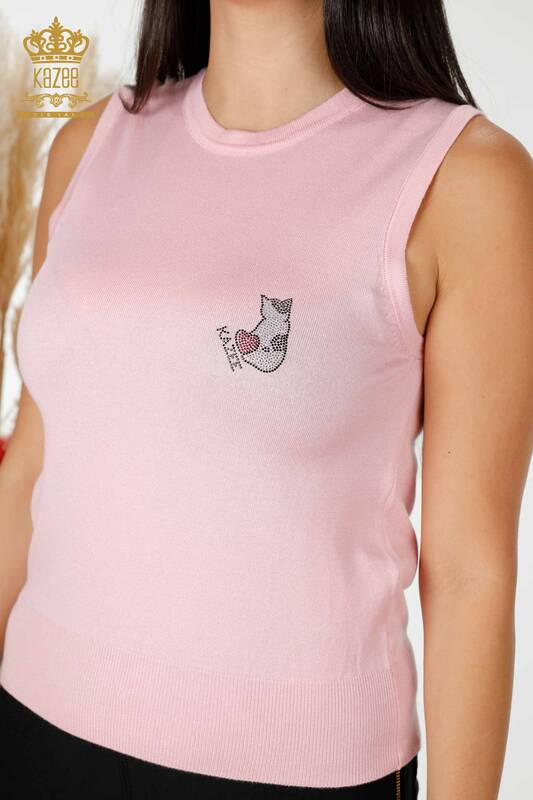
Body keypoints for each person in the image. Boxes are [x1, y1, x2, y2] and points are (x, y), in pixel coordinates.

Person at [1, 1, 532, 797]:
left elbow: (467, 570)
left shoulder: (465, 177)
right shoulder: (90, 144)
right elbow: (31, 469)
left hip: (296, 771)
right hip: (31, 723)